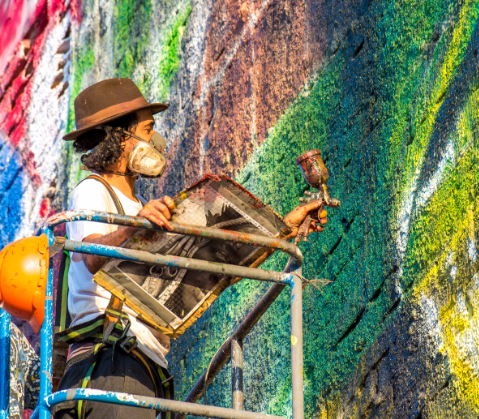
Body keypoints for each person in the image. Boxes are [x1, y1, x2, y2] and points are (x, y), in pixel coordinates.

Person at [54, 78, 326, 419]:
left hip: (140, 369)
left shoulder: (142, 209)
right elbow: (92, 255)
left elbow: (210, 273)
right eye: (148, 129)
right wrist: (137, 225)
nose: (155, 140)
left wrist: (283, 230)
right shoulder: (93, 191)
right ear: (121, 137)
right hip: (112, 362)